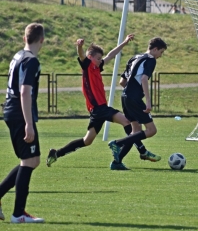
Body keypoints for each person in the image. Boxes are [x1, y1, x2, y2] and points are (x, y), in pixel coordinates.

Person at [46, 34, 160, 171]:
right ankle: (142, 151)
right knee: (128, 123)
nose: (101, 61)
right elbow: (82, 55)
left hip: (97, 111)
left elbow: (111, 55)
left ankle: (56, 154)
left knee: (87, 141)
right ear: (90, 58)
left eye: (101, 58)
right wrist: (80, 47)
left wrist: (124, 43)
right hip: (99, 108)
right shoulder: (87, 66)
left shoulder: (97, 67)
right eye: (98, 58)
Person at [0, 23, 45, 223]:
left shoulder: (18, 56)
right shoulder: (31, 60)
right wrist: (29, 123)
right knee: (29, 161)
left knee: (32, 160)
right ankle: (18, 214)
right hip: (20, 114)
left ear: (24, 38)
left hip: (12, 111)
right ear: (42, 40)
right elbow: (25, 91)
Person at [108, 37, 167, 167]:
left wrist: (131, 93)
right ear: (155, 49)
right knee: (151, 130)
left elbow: (122, 82)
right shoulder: (150, 60)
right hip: (134, 98)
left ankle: (117, 162)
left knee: (135, 132)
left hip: (125, 97)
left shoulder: (135, 57)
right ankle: (117, 143)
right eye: (161, 52)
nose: (160, 56)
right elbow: (144, 79)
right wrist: (148, 101)